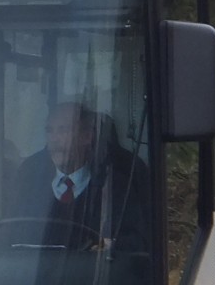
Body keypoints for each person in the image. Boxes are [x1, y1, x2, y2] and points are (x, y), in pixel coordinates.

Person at [10, 98, 149, 250]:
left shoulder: (116, 188)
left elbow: (138, 243)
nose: (54, 140)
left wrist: (111, 246)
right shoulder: (29, 184)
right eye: (49, 131)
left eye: (63, 130)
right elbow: (10, 233)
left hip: (92, 273)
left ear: (87, 137)